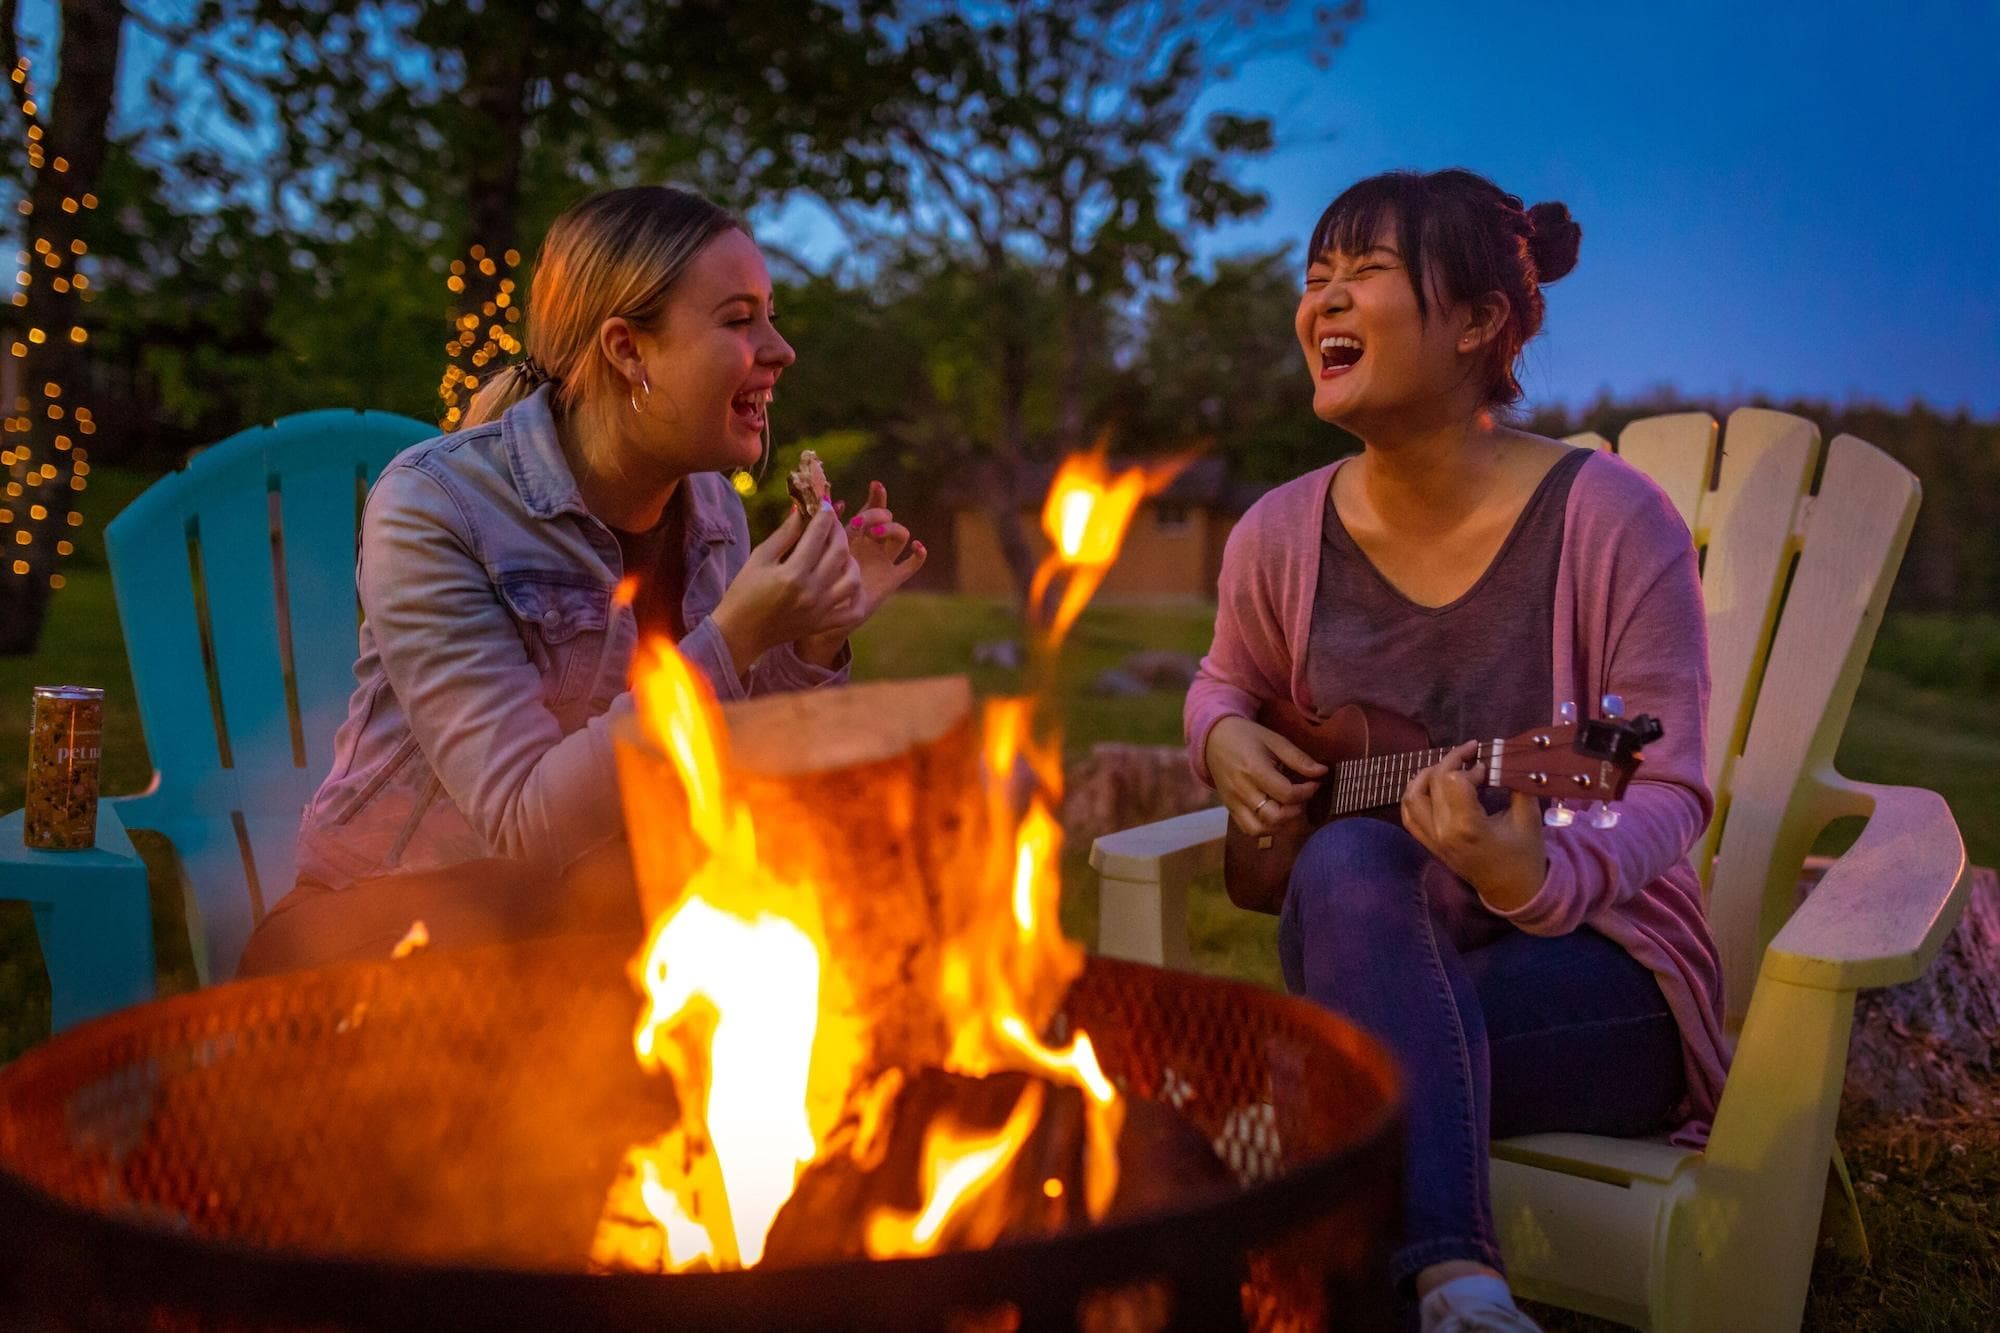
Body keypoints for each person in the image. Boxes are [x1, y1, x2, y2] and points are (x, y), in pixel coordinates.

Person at [1185, 169, 1729, 1332]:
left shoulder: (1609, 517)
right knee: (1343, 872)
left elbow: (1666, 780)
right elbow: (1221, 680)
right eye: (1313, 278)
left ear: (1479, 322)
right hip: (1375, 955)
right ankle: (1461, 1299)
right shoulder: (1278, 530)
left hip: (1597, 979)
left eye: (1364, 274)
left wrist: (1528, 874)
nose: (1322, 300)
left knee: (1292, 1090)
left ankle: (1442, 1284)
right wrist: (1223, 735)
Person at [241, 185, 925, 976]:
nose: (780, 350)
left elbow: (736, 773)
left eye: (770, 316)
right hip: (380, 940)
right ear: (626, 349)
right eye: (739, 320)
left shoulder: (711, 513)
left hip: (588, 933)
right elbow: (524, 826)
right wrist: (730, 638)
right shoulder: (437, 507)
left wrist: (812, 630)